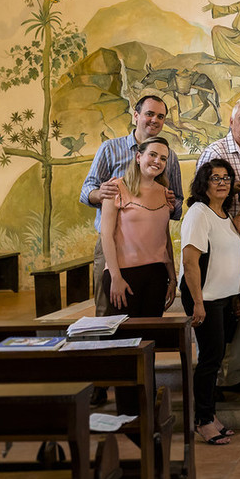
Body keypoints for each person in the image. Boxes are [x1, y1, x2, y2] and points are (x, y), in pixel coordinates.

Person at [82, 95, 182, 316]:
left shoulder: (170, 156)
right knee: (107, 309)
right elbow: (87, 189)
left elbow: (177, 203)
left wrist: (169, 203)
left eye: (160, 116)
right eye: (149, 113)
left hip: (151, 254)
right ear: (136, 115)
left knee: (149, 321)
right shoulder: (110, 148)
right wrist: (102, 193)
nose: (154, 119)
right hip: (113, 245)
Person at [196, 100, 240, 393]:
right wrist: (230, 214)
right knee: (217, 312)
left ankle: (235, 372)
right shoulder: (216, 152)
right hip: (218, 246)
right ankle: (210, 377)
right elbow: (199, 198)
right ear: (231, 122)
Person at [179, 159, 240, 445]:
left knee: (215, 357)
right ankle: (202, 420)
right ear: (203, 183)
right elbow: (190, 262)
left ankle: (210, 415)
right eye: (214, 178)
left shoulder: (224, 214)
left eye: (226, 178)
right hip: (203, 298)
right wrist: (198, 303)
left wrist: (236, 295)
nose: (222, 182)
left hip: (221, 298)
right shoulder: (198, 213)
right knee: (208, 359)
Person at [100, 135, 177, 317]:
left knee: (150, 339)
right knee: (124, 340)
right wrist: (115, 277)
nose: (157, 161)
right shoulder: (116, 188)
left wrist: (172, 278)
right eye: (153, 155)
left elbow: (165, 240)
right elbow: (106, 236)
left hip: (156, 274)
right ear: (138, 157)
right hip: (123, 273)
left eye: (163, 158)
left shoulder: (165, 194)